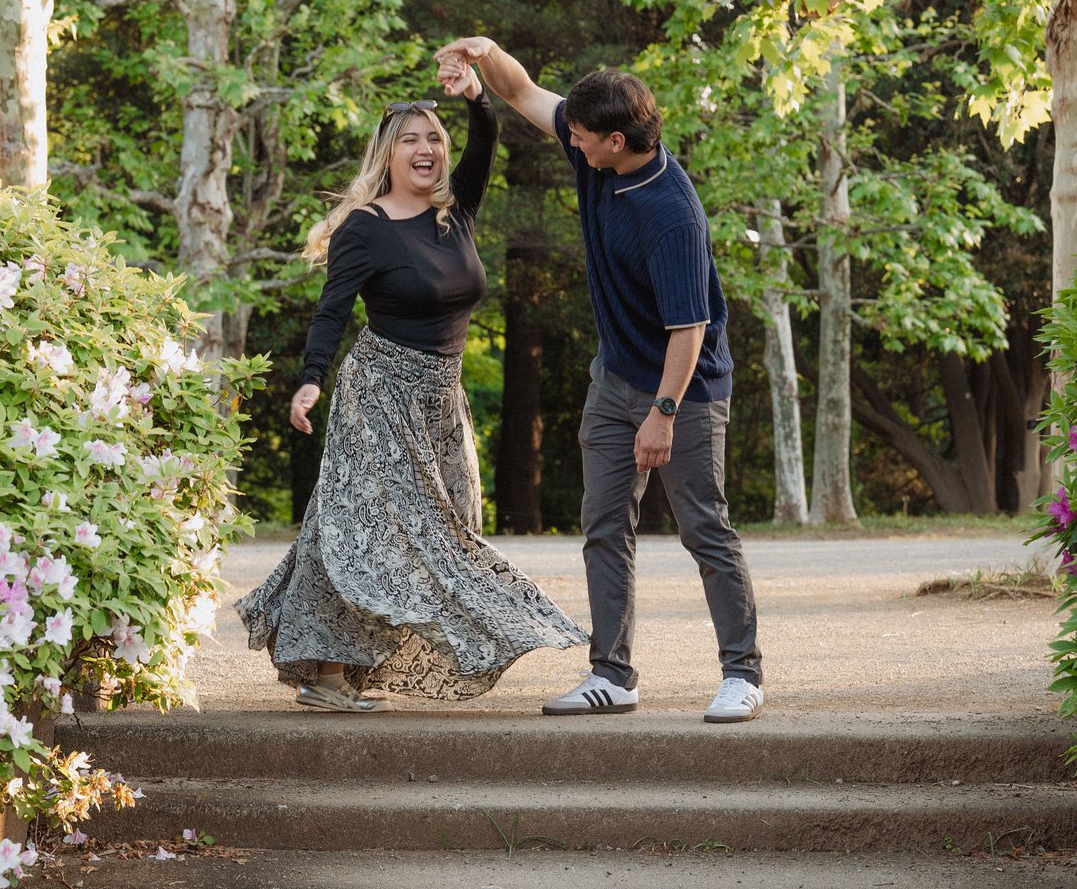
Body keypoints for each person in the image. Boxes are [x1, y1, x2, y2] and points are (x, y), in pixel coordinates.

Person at [235, 56, 588, 712]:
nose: (426, 149)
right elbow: (332, 311)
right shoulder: (365, 226)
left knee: (444, 533)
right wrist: (310, 380)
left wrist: (478, 93)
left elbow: (486, 140)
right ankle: (326, 675)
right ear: (388, 154)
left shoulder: (456, 212)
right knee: (362, 530)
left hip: (442, 398)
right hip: (379, 392)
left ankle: (347, 665)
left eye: (434, 138)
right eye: (410, 140)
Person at [435, 36, 765, 724]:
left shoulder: (672, 214)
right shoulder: (598, 151)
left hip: (684, 391)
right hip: (614, 379)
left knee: (705, 529)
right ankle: (612, 675)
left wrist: (663, 414)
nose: (571, 142)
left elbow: (690, 330)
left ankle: (743, 674)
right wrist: (485, 53)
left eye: (582, 136)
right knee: (605, 526)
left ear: (616, 141)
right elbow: (522, 90)